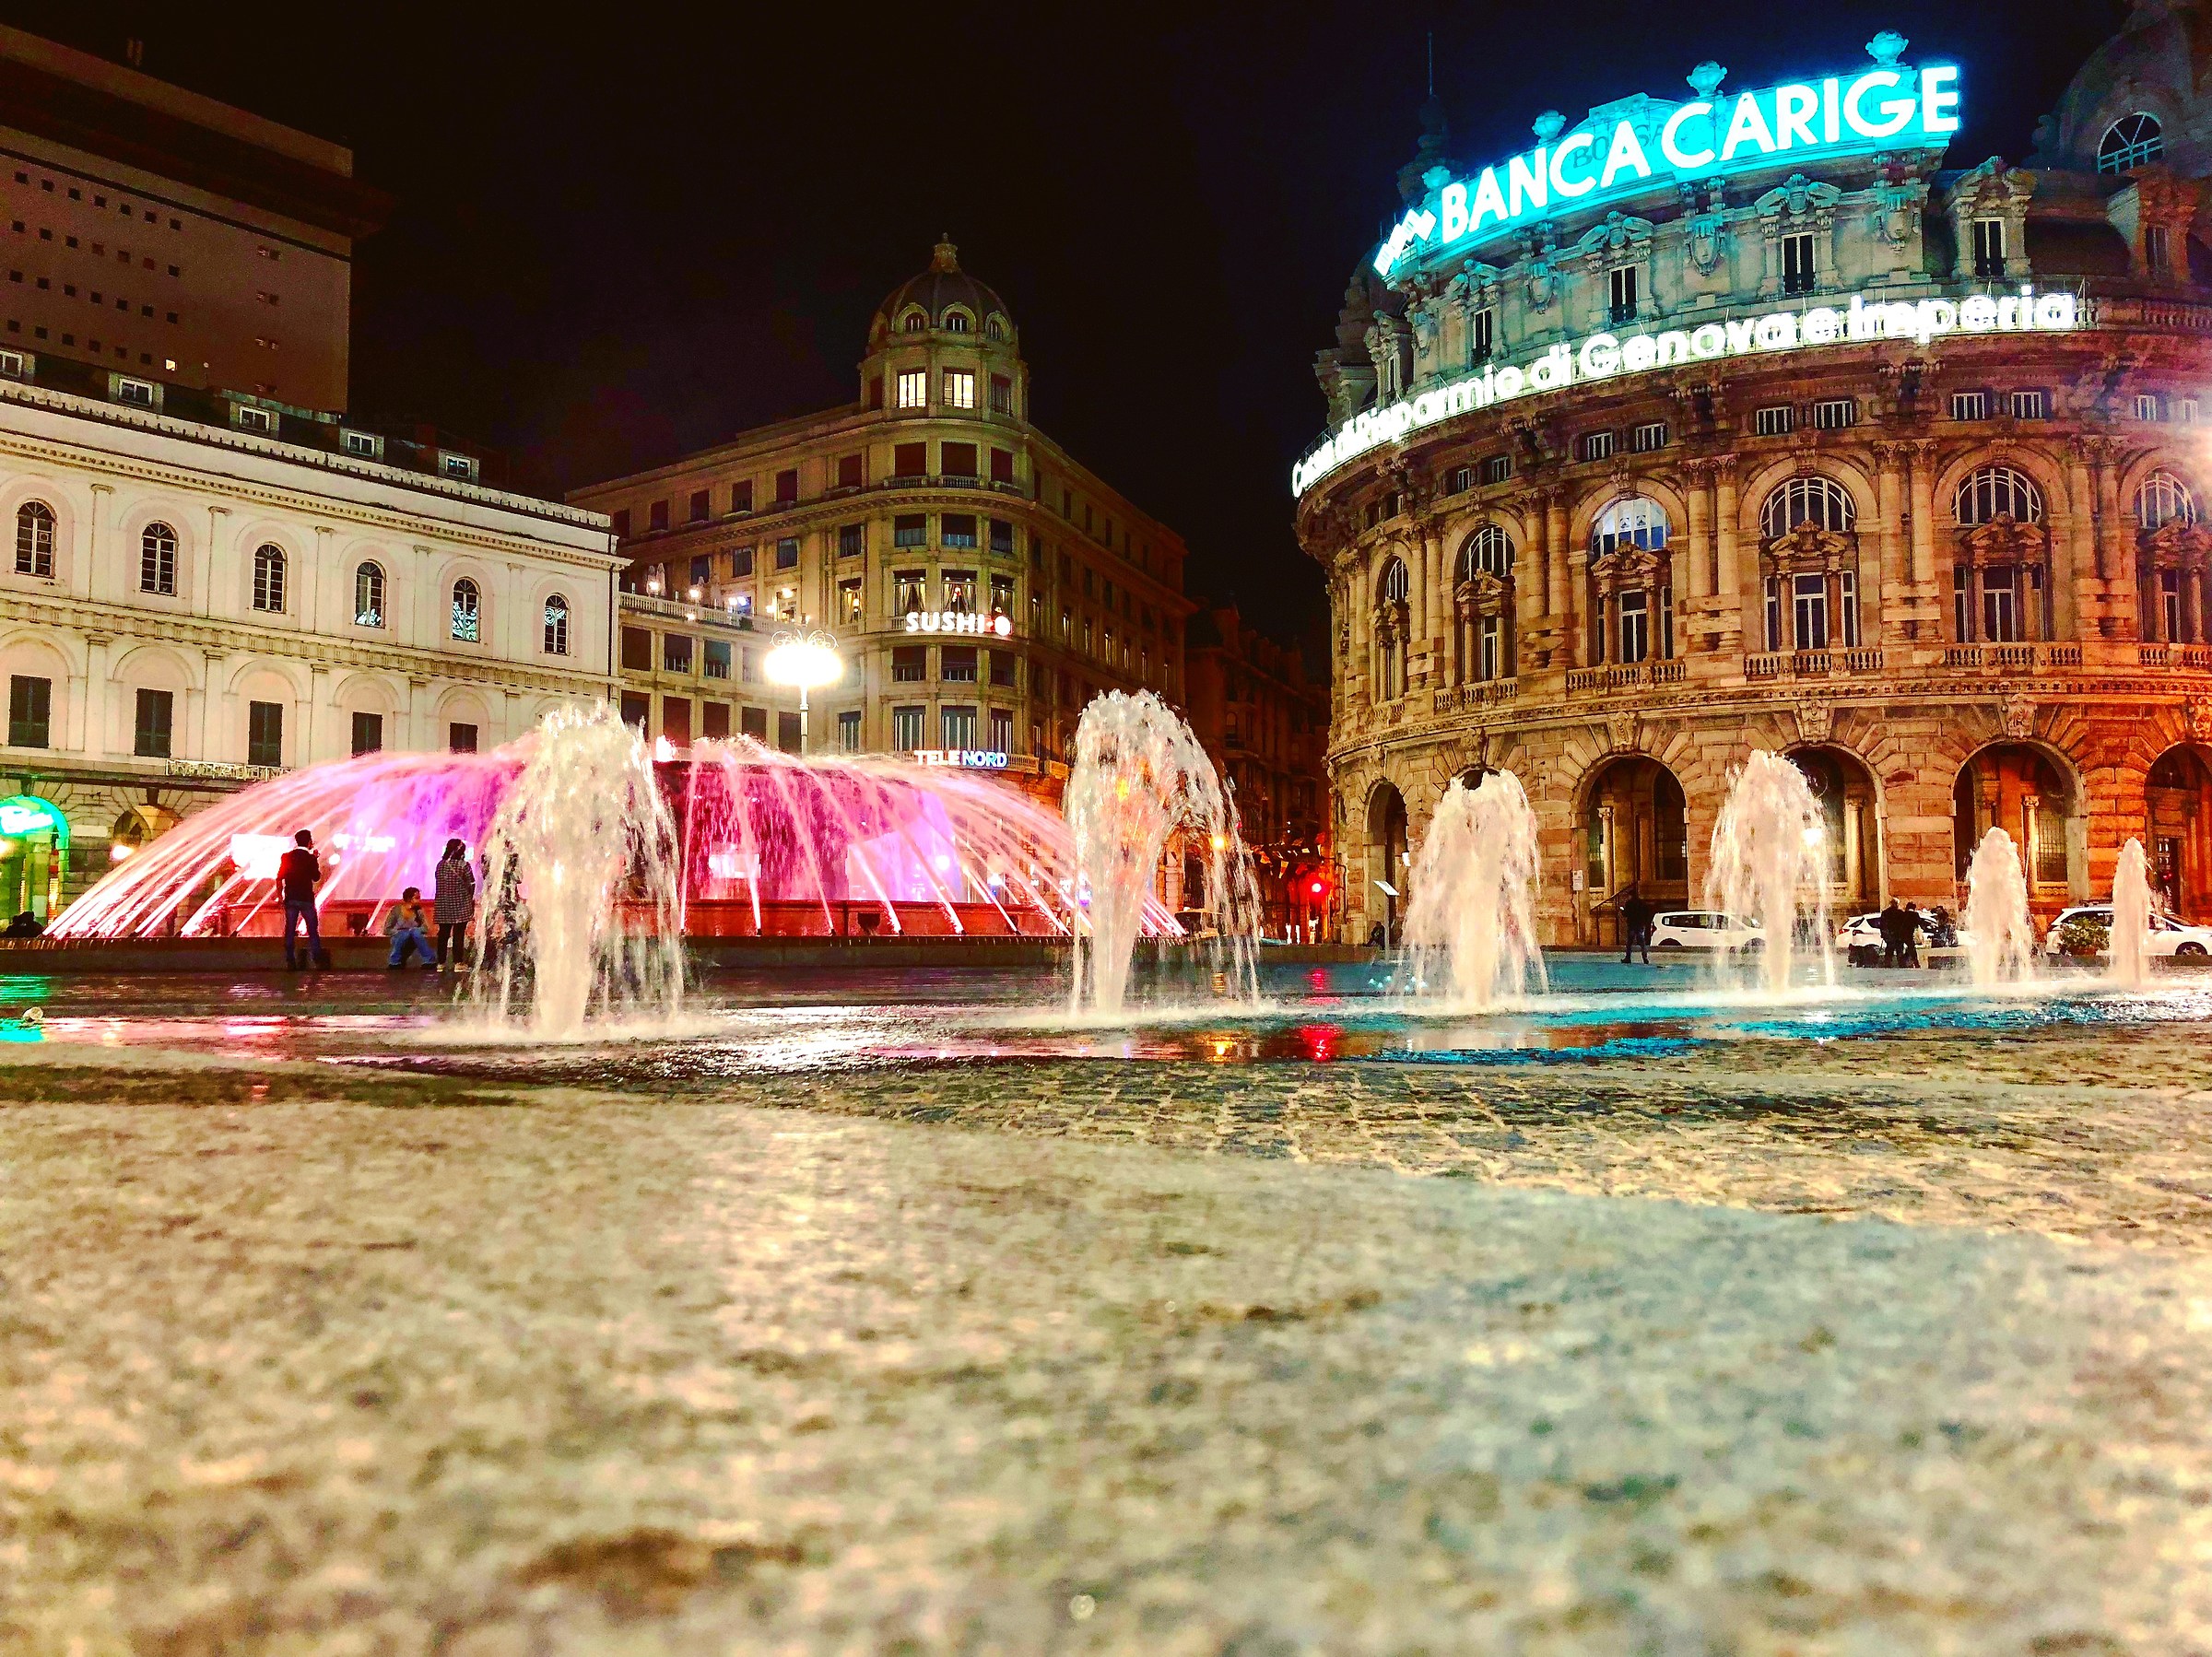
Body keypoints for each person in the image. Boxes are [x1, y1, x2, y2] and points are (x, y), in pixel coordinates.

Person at [278, 829, 330, 970]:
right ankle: (317, 959)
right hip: (306, 899)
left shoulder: (287, 857)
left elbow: (279, 877)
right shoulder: (310, 858)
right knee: (312, 930)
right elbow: (316, 877)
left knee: (290, 930)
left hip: (291, 898)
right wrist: (315, 859)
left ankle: (290, 961)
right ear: (309, 842)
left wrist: (280, 897)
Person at [433, 839, 477, 972]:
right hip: (460, 904)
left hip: (443, 904)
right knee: (458, 933)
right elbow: (471, 883)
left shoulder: (440, 865)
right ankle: (458, 962)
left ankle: (441, 962)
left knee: (443, 934)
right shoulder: (463, 865)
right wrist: (470, 898)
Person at [382, 887, 434, 969]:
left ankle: (429, 961)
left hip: (415, 937)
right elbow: (386, 930)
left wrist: (412, 930)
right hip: (399, 937)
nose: (419, 900)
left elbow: (425, 928)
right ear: (409, 899)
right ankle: (394, 962)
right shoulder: (396, 910)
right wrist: (398, 932)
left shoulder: (418, 910)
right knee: (404, 934)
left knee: (415, 932)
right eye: (417, 898)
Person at [1619, 887, 1653, 965]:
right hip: (1640, 924)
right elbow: (1646, 913)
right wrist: (1644, 922)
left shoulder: (1629, 903)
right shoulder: (1642, 903)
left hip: (1632, 925)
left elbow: (1626, 914)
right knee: (1642, 943)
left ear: (1631, 895)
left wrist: (1622, 910)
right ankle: (1645, 958)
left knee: (1629, 943)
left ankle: (1628, 958)